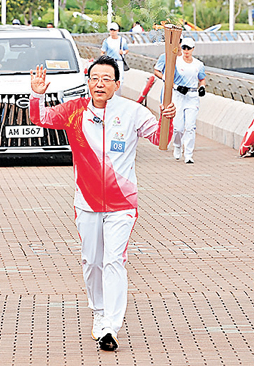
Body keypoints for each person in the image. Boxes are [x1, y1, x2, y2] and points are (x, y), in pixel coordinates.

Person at [29, 55, 175, 352]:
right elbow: (39, 118)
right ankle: (98, 312)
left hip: (122, 204)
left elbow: (163, 141)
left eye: (106, 79)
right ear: (88, 81)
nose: (100, 84)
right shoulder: (74, 111)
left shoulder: (133, 112)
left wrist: (168, 118)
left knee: (114, 261)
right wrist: (37, 94)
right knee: (92, 261)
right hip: (86, 202)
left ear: (117, 84)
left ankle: (111, 325)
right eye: (95, 78)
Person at [152, 36, 207, 163]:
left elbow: (201, 78)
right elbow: (166, 76)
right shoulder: (175, 62)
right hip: (178, 95)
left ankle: (188, 154)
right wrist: (176, 86)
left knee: (190, 126)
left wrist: (202, 87)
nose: (186, 50)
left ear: (193, 49)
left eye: (188, 48)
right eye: (184, 48)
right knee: (178, 128)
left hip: (192, 96)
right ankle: (177, 146)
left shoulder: (198, 64)